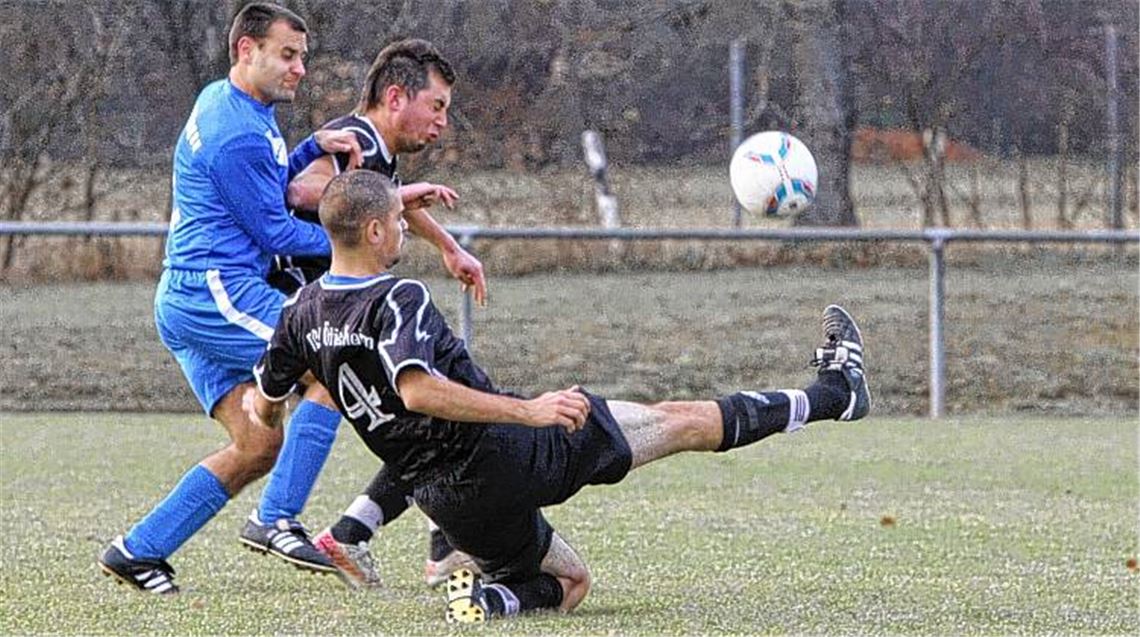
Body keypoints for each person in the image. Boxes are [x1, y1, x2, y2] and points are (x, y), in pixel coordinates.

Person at [247, 170, 871, 622]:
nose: (406, 234)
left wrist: (270, 414)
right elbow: (417, 389)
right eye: (400, 224)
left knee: (568, 582)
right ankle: (834, 393)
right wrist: (530, 411)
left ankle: (496, 601)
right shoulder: (395, 296)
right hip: (505, 449)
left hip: (445, 500)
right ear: (379, 228)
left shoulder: (298, 311)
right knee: (675, 422)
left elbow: (265, 400)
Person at [97, 3, 366, 593]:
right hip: (217, 292)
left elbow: (257, 190)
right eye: (287, 55)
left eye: (303, 57)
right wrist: (355, 237)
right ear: (248, 50)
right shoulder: (236, 131)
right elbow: (274, 231)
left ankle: (136, 550)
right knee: (330, 360)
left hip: (193, 298)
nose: (299, 69)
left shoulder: (234, 101)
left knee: (259, 442)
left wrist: (305, 149)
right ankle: (276, 520)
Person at [240, 38, 487, 588]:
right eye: (438, 106)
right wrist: (382, 198)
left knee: (417, 412)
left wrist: (449, 247)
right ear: (396, 97)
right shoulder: (354, 139)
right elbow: (305, 192)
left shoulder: (380, 152)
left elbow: (378, 196)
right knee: (422, 409)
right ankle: (317, 525)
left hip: (332, 311)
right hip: (308, 303)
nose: (443, 122)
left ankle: (364, 533)